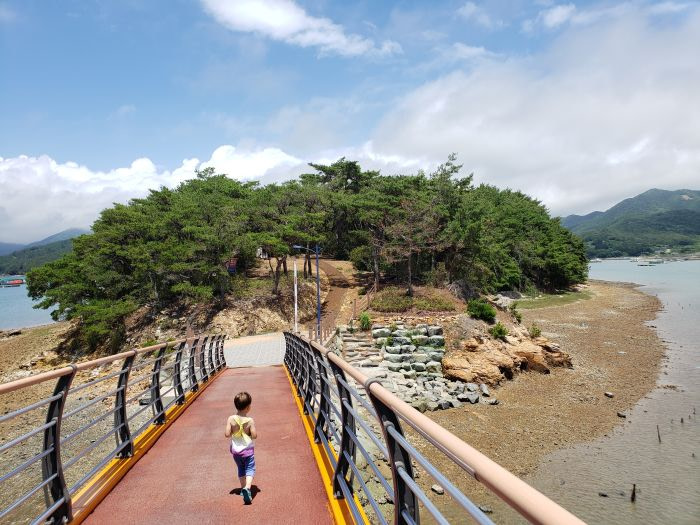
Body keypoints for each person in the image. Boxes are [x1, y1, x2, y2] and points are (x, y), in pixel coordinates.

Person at [225, 391, 257, 504]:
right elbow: (254, 435)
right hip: (247, 451)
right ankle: (247, 488)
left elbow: (227, 434)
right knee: (250, 468)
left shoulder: (231, 419)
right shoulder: (250, 421)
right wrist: (247, 433)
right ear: (248, 407)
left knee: (241, 468)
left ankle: (242, 487)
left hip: (236, 452)